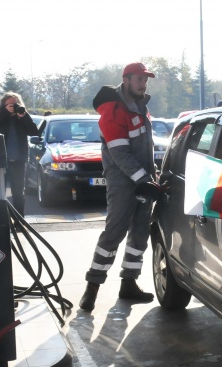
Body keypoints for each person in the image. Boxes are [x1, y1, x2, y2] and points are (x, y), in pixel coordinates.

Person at [79, 62, 158, 311]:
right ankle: (92, 286)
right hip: (123, 182)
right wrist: (144, 180)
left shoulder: (140, 107)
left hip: (142, 178)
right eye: (139, 79)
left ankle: (129, 285)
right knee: (114, 233)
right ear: (126, 80)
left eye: (146, 80)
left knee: (140, 235)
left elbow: (145, 148)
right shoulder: (113, 112)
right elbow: (120, 155)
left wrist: (152, 176)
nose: (143, 84)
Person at [0, 92, 39, 216]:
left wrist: (23, 116)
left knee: (18, 192)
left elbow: (33, 131)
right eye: (10, 104)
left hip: (18, 160)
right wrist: (5, 113)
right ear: (3, 104)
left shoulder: (22, 115)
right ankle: (1, 219)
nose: (13, 106)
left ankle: (19, 220)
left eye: (15, 104)